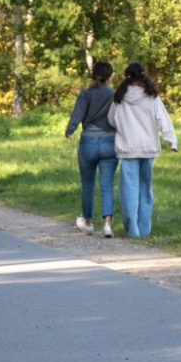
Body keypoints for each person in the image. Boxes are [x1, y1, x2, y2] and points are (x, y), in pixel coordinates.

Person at [107, 62, 177, 237]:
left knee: (128, 189)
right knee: (145, 188)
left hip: (127, 148)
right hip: (148, 148)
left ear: (127, 77)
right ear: (143, 76)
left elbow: (111, 120)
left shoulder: (119, 97)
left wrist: (123, 128)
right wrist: (171, 141)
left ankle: (133, 229)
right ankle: (145, 229)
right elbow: (163, 120)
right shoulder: (152, 97)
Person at [65, 60, 118, 238]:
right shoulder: (115, 95)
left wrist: (70, 130)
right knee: (106, 185)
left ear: (93, 74)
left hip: (88, 143)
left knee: (87, 184)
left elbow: (77, 114)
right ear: (110, 76)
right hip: (110, 144)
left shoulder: (86, 94)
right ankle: (107, 226)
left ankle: (88, 223)